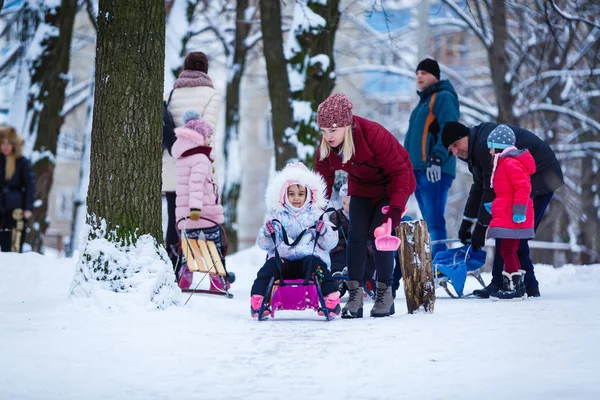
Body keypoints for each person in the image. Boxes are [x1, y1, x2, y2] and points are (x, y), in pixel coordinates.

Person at [315, 93, 416, 318]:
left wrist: (396, 210)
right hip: (362, 187)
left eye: (332, 130)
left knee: (379, 236)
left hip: (394, 184)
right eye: (323, 131)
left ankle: (384, 294)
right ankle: (355, 296)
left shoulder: (374, 135)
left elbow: (400, 173)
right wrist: (315, 210)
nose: (327, 136)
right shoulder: (327, 145)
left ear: (346, 125)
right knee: (357, 235)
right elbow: (321, 180)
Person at [441, 121, 564, 298]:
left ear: (465, 136)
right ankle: (508, 283)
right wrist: (468, 222)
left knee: (513, 232)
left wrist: (481, 227)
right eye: (450, 149)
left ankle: (523, 286)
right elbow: (480, 186)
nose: (454, 151)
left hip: (542, 177)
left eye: (455, 145)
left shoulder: (485, 147)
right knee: (506, 230)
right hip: (524, 182)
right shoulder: (476, 151)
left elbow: (490, 190)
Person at [250, 162, 340, 319]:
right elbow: (266, 245)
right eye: (291, 194)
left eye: (300, 194)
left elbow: (330, 244)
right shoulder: (276, 215)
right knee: (268, 267)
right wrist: (266, 234)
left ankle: (331, 299)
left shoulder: (317, 214)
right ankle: (258, 300)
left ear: (309, 194)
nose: (296, 198)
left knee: (318, 267)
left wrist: (324, 231)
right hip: (283, 261)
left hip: (308, 261)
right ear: (283, 194)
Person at [163, 51, 221, 268]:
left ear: (185, 68)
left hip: (173, 164)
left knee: (174, 218)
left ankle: (173, 266)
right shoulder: (211, 95)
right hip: (198, 163)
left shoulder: (174, 93)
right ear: (205, 69)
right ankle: (205, 267)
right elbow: (207, 133)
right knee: (203, 217)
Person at [404, 58, 459, 257]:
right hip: (418, 168)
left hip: (435, 167)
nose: (419, 76)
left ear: (435, 76)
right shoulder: (424, 102)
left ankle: (441, 260)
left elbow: (449, 128)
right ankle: (436, 259)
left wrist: (437, 157)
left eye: (424, 73)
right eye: (417, 73)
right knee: (428, 218)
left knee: (435, 218)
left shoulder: (443, 97)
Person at [171, 111, 225, 289]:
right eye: (208, 136)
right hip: (203, 211)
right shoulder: (201, 157)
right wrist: (196, 209)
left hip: (186, 214)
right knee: (213, 244)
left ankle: (185, 276)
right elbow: (196, 184)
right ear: (198, 137)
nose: (210, 140)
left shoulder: (183, 157)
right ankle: (216, 280)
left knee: (189, 247)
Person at [484, 125, 536, 299]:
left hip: (514, 217)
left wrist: (520, 211)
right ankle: (517, 286)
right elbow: (507, 192)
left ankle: (514, 287)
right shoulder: (506, 163)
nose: (490, 151)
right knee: (509, 250)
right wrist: (496, 205)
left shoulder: (510, 163)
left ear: (498, 146)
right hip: (509, 214)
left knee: (507, 250)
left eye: (491, 147)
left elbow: (522, 187)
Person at [329, 184, 375, 287]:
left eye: (350, 204)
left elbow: (368, 236)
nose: (347, 207)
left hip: (361, 249)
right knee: (338, 256)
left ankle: (362, 279)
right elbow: (334, 234)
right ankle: (338, 275)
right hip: (343, 248)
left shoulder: (364, 216)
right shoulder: (337, 216)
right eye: (344, 203)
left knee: (366, 260)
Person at [0, 126, 34, 253]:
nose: (6, 146)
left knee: (15, 246)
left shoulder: (22, 162)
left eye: (9, 143)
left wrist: (28, 208)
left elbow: (30, 185)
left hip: (16, 209)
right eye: (3, 143)